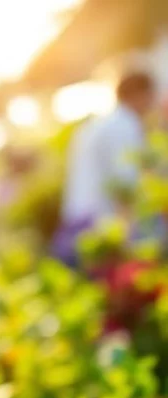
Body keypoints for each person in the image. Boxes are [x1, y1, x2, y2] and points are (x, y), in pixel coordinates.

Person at [52, 71, 156, 267]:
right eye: (151, 96)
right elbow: (126, 186)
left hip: (78, 217)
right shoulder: (125, 124)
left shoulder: (96, 124)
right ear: (139, 94)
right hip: (100, 223)